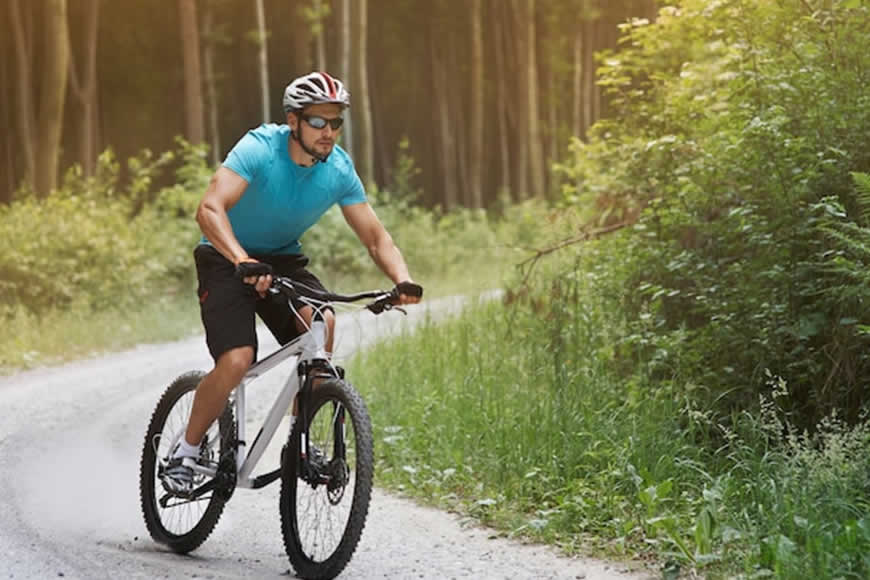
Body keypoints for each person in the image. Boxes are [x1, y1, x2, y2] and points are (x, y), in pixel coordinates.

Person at [162, 71, 422, 494]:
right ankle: (186, 451)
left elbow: (376, 237)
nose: (328, 132)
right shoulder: (260, 149)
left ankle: (300, 444)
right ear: (294, 121)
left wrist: (402, 279)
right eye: (318, 121)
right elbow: (209, 209)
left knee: (322, 324)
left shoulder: (338, 169)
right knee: (237, 359)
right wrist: (242, 259)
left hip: (281, 259)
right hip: (225, 255)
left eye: (335, 122)